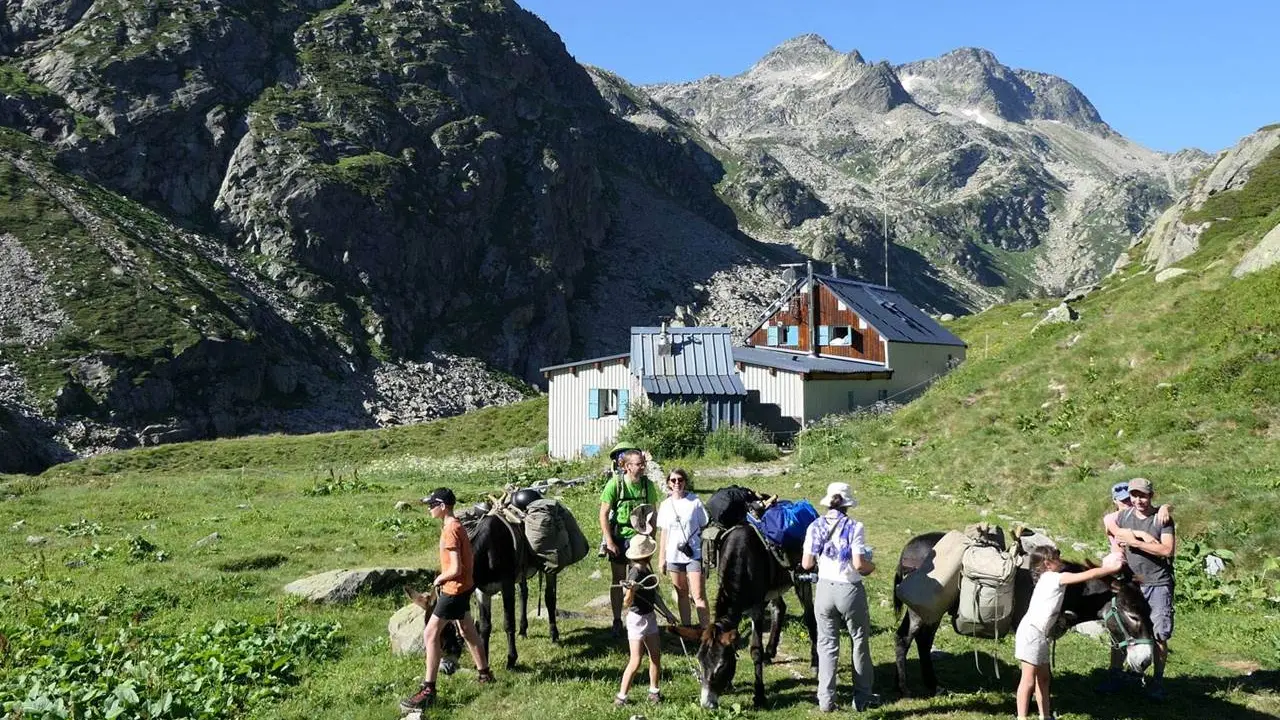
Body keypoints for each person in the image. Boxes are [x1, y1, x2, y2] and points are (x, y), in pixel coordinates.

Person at [400, 488, 493, 713]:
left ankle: (428, 690)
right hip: (464, 587)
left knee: (430, 633)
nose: (429, 508)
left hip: (453, 589)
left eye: (432, 504)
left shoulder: (451, 530)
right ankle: (485, 675)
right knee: (468, 630)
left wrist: (440, 578)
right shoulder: (457, 525)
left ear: (443, 506)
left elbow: (455, 567)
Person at [1015, 547, 1125, 720]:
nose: (1061, 560)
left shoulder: (1050, 577)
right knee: (1028, 680)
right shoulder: (1053, 578)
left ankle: (1045, 716)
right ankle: (1021, 718)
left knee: (1043, 679)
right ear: (1047, 563)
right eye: (1057, 558)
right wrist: (1111, 569)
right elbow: (1088, 576)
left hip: (1042, 635)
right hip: (1032, 634)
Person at [802, 482, 878, 713]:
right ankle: (862, 697)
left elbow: (807, 563)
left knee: (826, 645)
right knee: (859, 641)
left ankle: (825, 700)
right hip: (849, 589)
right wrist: (870, 566)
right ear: (847, 504)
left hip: (824, 589)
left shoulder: (814, 526)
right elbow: (858, 564)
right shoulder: (855, 526)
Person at [1111, 477, 1176, 700]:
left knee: (1159, 634)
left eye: (1143, 495)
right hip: (1132, 584)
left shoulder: (1162, 519)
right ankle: (1117, 675)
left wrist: (1136, 541)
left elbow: (1167, 550)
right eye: (1134, 495)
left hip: (1158, 584)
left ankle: (1157, 682)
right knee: (1122, 629)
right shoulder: (1124, 516)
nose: (1139, 500)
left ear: (1151, 496)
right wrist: (1137, 536)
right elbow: (1116, 530)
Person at [600, 448, 660, 637]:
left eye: (643, 463)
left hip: (640, 537)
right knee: (618, 580)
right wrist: (609, 541)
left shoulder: (647, 485)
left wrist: (652, 536)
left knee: (640, 578)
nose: (642, 467)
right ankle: (617, 620)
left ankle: (641, 617)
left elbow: (653, 513)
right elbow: (603, 513)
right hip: (619, 536)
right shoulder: (614, 485)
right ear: (626, 467)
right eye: (638, 464)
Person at [613, 534, 670, 707]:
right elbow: (626, 602)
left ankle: (654, 691)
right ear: (648, 554)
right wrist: (632, 590)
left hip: (650, 617)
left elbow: (654, 595)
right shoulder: (635, 572)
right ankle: (621, 697)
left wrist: (667, 613)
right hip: (637, 619)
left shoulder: (647, 570)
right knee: (636, 660)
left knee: (655, 656)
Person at [655, 468, 709, 626]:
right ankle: (687, 629)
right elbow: (664, 532)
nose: (677, 483)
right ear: (668, 483)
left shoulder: (695, 501)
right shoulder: (665, 505)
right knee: (682, 593)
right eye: (673, 480)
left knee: (698, 594)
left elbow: (704, 525)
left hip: (694, 554)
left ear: (685, 482)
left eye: (680, 479)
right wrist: (662, 558)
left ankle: (706, 631)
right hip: (673, 555)